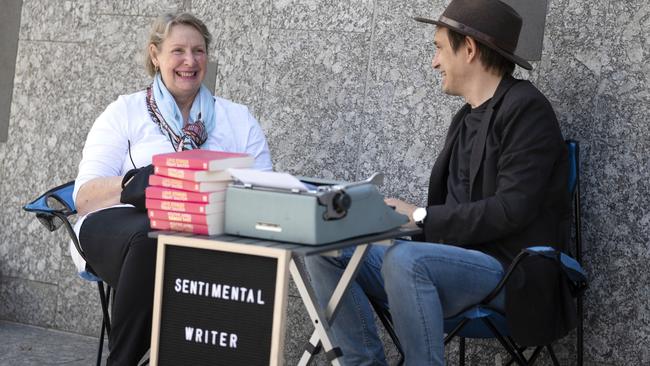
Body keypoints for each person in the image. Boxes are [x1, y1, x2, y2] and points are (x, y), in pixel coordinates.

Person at [305, 0, 570, 364]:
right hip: (447, 258)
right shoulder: (464, 118)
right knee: (325, 246)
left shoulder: (527, 110)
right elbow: (450, 212)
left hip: (511, 271)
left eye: (439, 48)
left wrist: (422, 216)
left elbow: (513, 208)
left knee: (406, 262)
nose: (434, 62)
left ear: (470, 49)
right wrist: (389, 222)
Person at [71, 12, 272, 365]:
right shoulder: (125, 111)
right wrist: (140, 182)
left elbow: (266, 195)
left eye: (198, 51)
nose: (190, 61)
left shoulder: (238, 119)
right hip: (118, 226)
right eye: (178, 50)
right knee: (155, 235)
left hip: (207, 237)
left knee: (189, 246)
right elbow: (85, 196)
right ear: (155, 55)